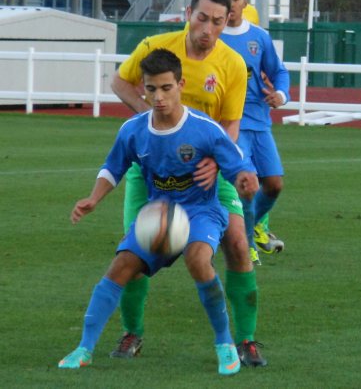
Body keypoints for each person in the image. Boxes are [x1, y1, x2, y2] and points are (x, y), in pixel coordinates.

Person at [58, 49, 259, 375]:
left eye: (166, 88)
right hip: (160, 214)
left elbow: (236, 162)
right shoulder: (133, 130)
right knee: (121, 265)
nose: (159, 97)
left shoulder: (204, 128)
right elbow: (113, 167)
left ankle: (224, 343)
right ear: (144, 89)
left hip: (202, 210)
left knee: (198, 259)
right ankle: (84, 348)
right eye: (151, 89)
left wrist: (245, 179)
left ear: (180, 84)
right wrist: (94, 198)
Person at [110, 0, 267, 367]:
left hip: (206, 173)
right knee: (136, 247)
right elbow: (119, 82)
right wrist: (147, 119)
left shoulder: (232, 64)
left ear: (228, 20)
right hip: (151, 170)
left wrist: (218, 161)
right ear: (187, 13)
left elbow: (231, 123)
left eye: (218, 21)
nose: (207, 29)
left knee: (238, 243)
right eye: (202, 18)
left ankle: (245, 340)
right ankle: (132, 333)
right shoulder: (155, 47)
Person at [208, 0, 284, 255]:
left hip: (258, 119)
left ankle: (255, 225)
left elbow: (277, 70)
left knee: (273, 184)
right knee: (242, 184)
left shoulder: (256, 32)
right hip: (226, 120)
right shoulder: (206, 29)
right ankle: (244, 245)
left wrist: (280, 94)